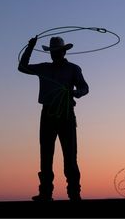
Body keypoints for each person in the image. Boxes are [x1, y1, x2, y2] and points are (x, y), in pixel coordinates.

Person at [18, 36, 89, 201]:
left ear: (63, 52)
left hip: (66, 114)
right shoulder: (44, 68)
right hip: (48, 113)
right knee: (46, 154)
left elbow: (84, 87)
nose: (55, 54)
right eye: (53, 52)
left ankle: (74, 194)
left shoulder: (73, 69)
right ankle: (46, 193)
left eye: (57, 51)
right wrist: (30, 47)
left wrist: (76, 93)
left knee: (70, 155)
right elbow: (22, 67)